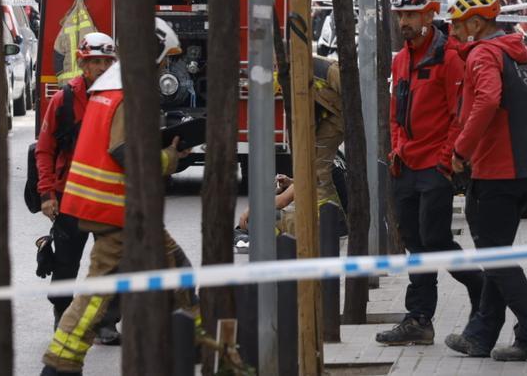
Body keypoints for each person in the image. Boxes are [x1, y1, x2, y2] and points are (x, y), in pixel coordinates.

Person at [41, 19, 197, 375]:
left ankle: (199, 347)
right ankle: (59, 366)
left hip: (115, 209)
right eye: (164, 60)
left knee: (179, 272)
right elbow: (126, 152)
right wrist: (169, 159)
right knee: (95, 297)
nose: (164, 68)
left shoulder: (108, 89)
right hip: (117, 213)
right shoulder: (126, 92)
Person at [443, 0, 527, 362]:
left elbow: (488, 99)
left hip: (495, 172)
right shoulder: (522, 56)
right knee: (497, 253)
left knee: (496, 258)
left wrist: (461, 149)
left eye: (458, 24)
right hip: (524, 172)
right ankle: (479, 336)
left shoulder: (483, 54)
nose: (454, 30)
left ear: (476, 22)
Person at [372, 0, 485, 346]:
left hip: (435, 167)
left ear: (430, 13)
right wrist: (397, 148)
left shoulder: (450, 56)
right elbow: (395, 111)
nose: (404, 21)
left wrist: (444, 158)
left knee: (434, 241)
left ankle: (482, 291)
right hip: (405, 166)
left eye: (410, 14)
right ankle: (419, 319)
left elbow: (461, 114)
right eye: (400, 15)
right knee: (416, 245)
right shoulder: (402, 57)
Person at [34, 32, 121, 342]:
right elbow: (44, 149)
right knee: (65, 263)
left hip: (110, 196)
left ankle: (106, 322)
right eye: (94, 62)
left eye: (106, 62)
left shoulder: (123, 99)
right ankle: (63, 318)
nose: (100, 67)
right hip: (70, 197)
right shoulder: (64, 99)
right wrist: (47, 194)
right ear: (82, 64)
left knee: (113, 263)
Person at [235, 54, 346, 237]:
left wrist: (261, 208)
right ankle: (332, 220)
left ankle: (332, 223)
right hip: (332, 120)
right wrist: (292, 183)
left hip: (342, 118)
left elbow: (287, 198)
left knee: (317, 173)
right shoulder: (292, 78)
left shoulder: (322, 71)